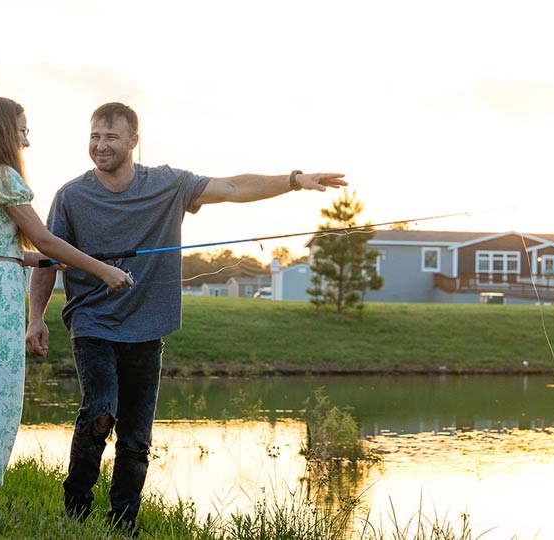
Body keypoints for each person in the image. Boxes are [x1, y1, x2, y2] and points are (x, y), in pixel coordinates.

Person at [24, 102, 345, 528]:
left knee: (136, 440)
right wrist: (36, 318)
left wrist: (293, 181)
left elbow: (232, 187)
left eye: (111, 137)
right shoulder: (72, 196)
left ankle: (123, 523)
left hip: (148, 327)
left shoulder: (168, 185)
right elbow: (49, 257)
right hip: (93, 324)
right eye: (94, 136)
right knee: (100, 412)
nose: (100, 146)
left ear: (134, 141)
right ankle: (76, 511)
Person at [0, 97, 133, 502]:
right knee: (1, 396)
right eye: (22, 131)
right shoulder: (4, 176)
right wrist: (102, 270)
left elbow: (3, 249)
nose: (26, 142)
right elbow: (43, 237)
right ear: (2, 131)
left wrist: (54, 260)